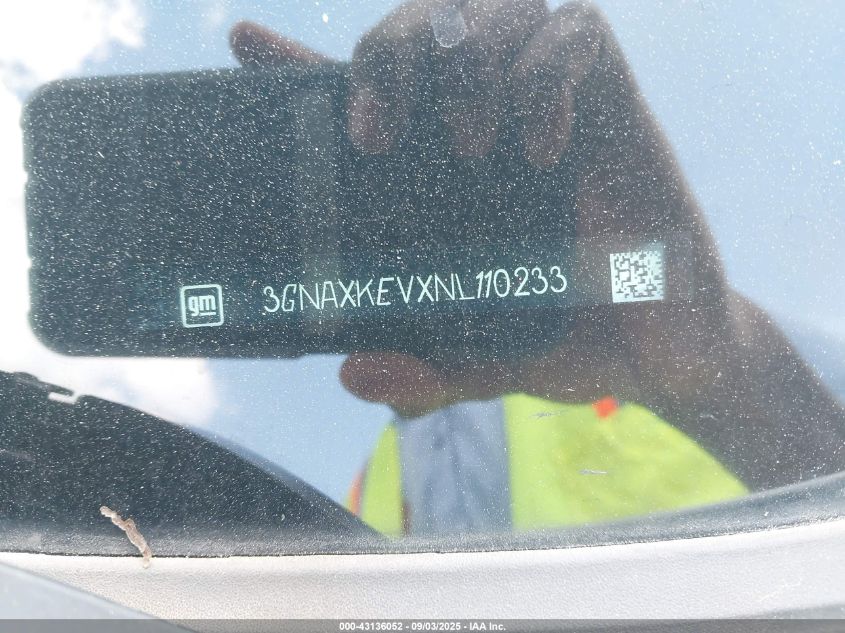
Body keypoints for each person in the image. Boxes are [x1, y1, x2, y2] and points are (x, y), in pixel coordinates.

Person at [229, 0, 845, 536]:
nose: (422, 217)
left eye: (458, 181)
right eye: (392, 197)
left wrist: (720, 379)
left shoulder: (736, 350)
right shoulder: (364, 495)